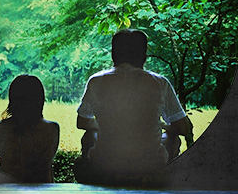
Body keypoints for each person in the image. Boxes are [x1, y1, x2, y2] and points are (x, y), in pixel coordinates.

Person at [74, 29, 192, 184]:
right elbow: (184, 128)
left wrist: (103, 124)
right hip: (150, 165)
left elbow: (82, 122)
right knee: (173, 138)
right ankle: (164, 181)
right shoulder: (159, 82)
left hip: (106, 165)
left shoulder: (97, 81)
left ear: (113, 53)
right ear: (143, 55)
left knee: (89, 135)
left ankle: (97, 181)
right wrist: (164, 126)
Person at [0, 75, 60, 183]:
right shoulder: (51, 129)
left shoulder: (1, 128)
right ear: (40, 99)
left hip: (6, 189)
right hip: (42, 190)